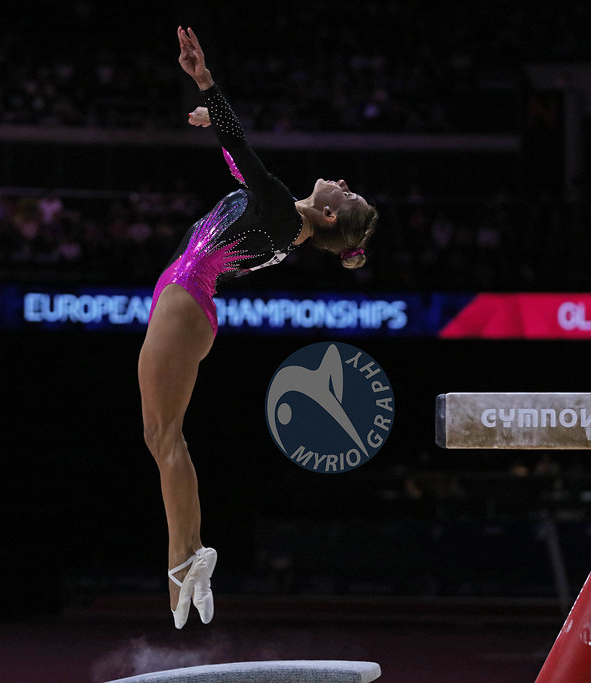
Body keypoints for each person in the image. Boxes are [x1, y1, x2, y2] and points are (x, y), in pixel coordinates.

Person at [138, 26, 378, 630]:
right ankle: (187, 558)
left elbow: (241, 148)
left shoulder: (281, 210)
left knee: (163, 436)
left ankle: (184, 559)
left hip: (185, 298)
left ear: (329, 214)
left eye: (346, 193)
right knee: (164, 438)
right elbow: (237, 161)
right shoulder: (284, 219)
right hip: (190, 305)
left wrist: (205, 82)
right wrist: (211, 123)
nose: (341, 182)